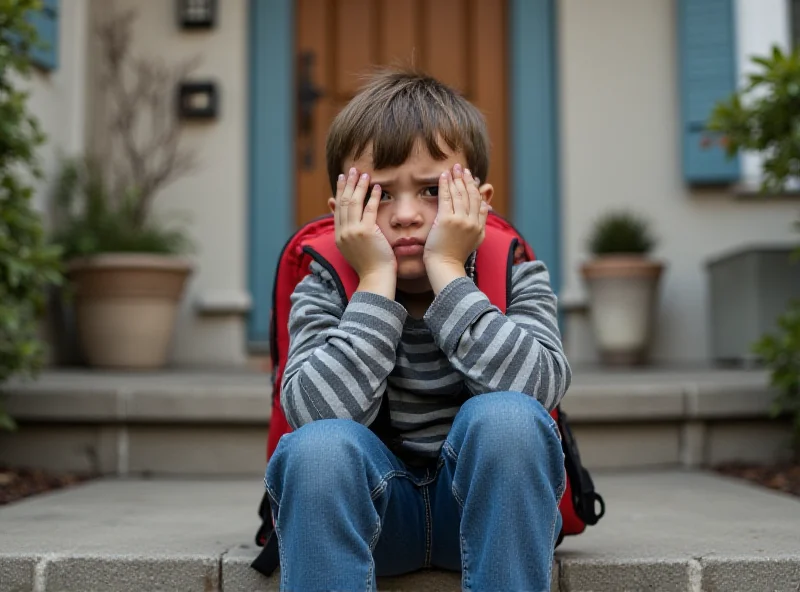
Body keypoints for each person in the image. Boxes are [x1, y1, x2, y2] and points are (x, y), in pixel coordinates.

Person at [264, 68, 571, 592]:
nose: (406, 214)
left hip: (487, 517)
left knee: (509, 420)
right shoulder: (323, 282)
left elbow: (538, 392)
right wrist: (375, 281)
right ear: (340, 213)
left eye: (432, 190)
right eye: (378, 194)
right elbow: (311, 414)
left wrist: (449, 270)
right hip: (373, 521)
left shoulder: (513, 269)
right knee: (316, 449)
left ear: (480, 202)